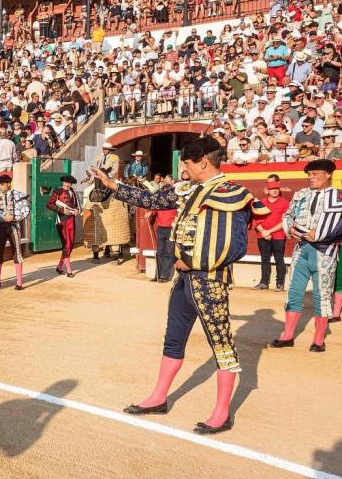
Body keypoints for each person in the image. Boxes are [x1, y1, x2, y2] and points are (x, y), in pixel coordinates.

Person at [93, 137, 267, 434]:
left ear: (202, 161)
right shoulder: (190, 189)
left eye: (186, 162)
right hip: (184, 280)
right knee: (173, 338)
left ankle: (222, 413)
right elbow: (154, 200)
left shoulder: (230, 193)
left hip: (209, 281)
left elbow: (235, 246)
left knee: (222, 345)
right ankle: (159, 398)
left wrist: (193, 261)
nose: (183, 168)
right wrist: (112, 186)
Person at [271, 159, 342, 353]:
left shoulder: (339, 196)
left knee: (322, 297)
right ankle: (288, 335)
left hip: (325, 254)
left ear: (328, 174)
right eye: (309, 174)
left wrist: (329, 235)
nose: (310, 177)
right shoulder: (301, 195)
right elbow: (287, 216)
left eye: (315, 174)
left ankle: (318, 339)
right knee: (293, 294)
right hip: (301, 251)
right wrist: (289, 228)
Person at [84, 143, 130, 263]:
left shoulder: (115, 158)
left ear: (110, 150)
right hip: (98, 178)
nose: (104, 150)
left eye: (106, 149)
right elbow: (94, 169)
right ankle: (85, 209)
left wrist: (106, 177)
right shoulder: (99, 157)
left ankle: (126, 209)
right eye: (103, 148)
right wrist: (94, 176)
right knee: (87, 191)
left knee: (122, 190)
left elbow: (114, 170)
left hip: (109, 178)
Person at [253, 179, 289, 292]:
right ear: (267, 190)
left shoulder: (285, 203)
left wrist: (269, 231)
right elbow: (254, 219)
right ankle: (264, 282)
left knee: (279, 259)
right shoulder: (260, 202)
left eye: (277, 189)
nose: (275, 191)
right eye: (272, 189)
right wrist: (263, 231)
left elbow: (285, 221)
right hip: (262, 235)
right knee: (265, 259)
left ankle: (280, 284)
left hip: (278, 235)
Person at [47, 175, 80, 277]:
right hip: (61, 221)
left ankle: (59, 267)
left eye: (69, 183)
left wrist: (76, 211)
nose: (67, 184)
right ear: (63, 182)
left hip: (71, 220)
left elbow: (77, 206)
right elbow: (49, 204)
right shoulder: (57, 191)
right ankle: (69, 271)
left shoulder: (73, 192)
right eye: (66, 182)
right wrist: (61, 210)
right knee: (66, 244)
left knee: (70, 245)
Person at [149, 176, 177, 283]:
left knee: (168, 252)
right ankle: (158, 275)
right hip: (161, 228)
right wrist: (150, 212)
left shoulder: (175, 203)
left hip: (171, 229)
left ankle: (164, 276)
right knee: (160, 252)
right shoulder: (161, 202)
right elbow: (155, 210)